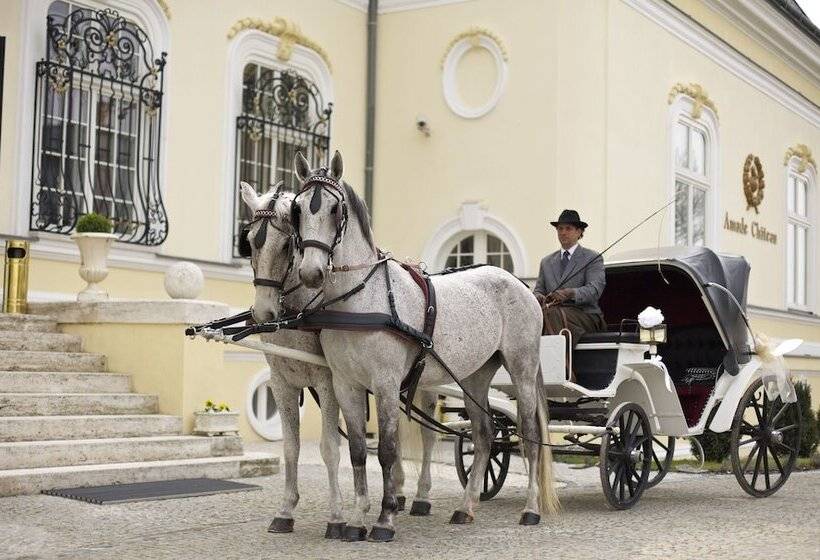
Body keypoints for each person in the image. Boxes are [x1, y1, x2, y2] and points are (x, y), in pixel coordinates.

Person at [533, 209, 606, 347]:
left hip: (586, 315)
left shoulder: (592, 257)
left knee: (552, 315)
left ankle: (560, 365)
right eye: (560, 229)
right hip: (552, 313)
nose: (563, 232)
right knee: (542, 315)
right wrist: (539, 297)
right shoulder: (546, 262)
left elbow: (594, 290)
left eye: (568, 228)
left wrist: (570, 294)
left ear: (579, 232)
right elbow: (538, 290)